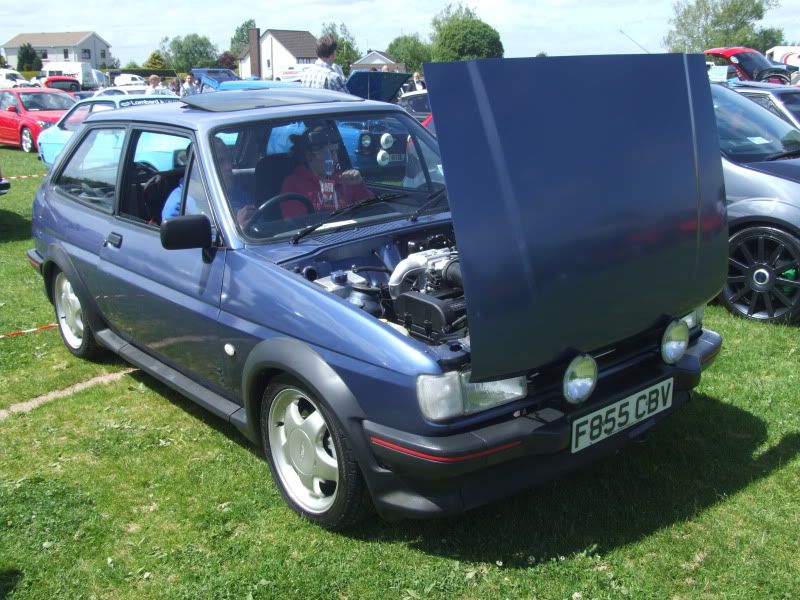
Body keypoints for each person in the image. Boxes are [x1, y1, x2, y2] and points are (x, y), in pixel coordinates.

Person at [280, 126, 372, 212]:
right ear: (309, 155)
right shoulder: (293, 184)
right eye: (331, 153)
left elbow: (370, 211)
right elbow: (296, 223)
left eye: (336, 152)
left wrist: (359, 186)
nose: (335, 159)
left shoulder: (343, 179)